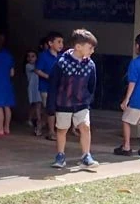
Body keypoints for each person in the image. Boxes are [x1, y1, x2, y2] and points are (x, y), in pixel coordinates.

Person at [47, 28, 98, 170]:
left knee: (85, 127)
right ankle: (60, 155)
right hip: (64, 103)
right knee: (62, 129)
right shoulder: (61, 63)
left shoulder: (90, 65)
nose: (92, 51)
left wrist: (88, 99)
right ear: (78, 46)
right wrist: (51, 105)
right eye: (90, 47)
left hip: (82, 103)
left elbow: (92, 84)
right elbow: (53, 84)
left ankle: (86, 155)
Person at [35, 32, 64, 139]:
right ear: (50, 43)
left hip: (58, 88)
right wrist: (48, 77)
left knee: (53, 109)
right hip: (45, 87)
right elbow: (37, 70)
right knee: (49, 109)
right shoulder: (43, 56)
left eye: (62, 42)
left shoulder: (62, 57)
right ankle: (51, 131)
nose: (61, 44)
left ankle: (40, 124)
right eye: (58, 42)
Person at [25, 50, 43, 135]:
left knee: (35, 104)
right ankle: (39, 121)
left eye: (33, 56)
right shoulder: (28, 66)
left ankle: (30, 119)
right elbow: (37, 70)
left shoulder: (37, 65)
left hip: (38, 87)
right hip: (33, 88)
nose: (30, 58)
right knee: (37, 104)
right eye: (28, 56)